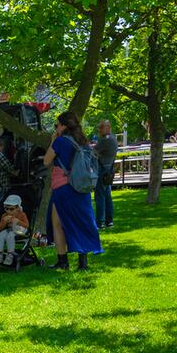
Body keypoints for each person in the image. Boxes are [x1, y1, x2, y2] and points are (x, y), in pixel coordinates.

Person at [44, 111, 103, 270]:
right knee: (81, 221)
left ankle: (63, 261)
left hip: (63, 187)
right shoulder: (83, 141)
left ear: (63, 126)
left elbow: (46, 161)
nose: (56, 128)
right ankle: (83, 262)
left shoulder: (60, 141)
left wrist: (52, 141)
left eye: (57, 125)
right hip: (81, 186)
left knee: (57, 223)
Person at [0, 194, 29, 265]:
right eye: (6, 209)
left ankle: (10, 254)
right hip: (10, 229)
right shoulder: (4, 215)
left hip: (20, 229)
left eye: (11, 209)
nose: (9, 211)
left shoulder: (22, 214)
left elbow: (26, 225)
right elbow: (0, 228)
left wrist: (17, 221)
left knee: (10, 235)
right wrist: (4, 221)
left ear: (18, 208)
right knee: (0, 236)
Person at [94, 119, 117, 228]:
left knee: (100, 196)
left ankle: (100, 222)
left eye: (101, 127)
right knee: (107, 196)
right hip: (109, 170)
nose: (99, 130)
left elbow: (94, 151)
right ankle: (109, 221)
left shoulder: (105, 140)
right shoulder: (112, 138)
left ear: (107, 128)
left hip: (102, 170)